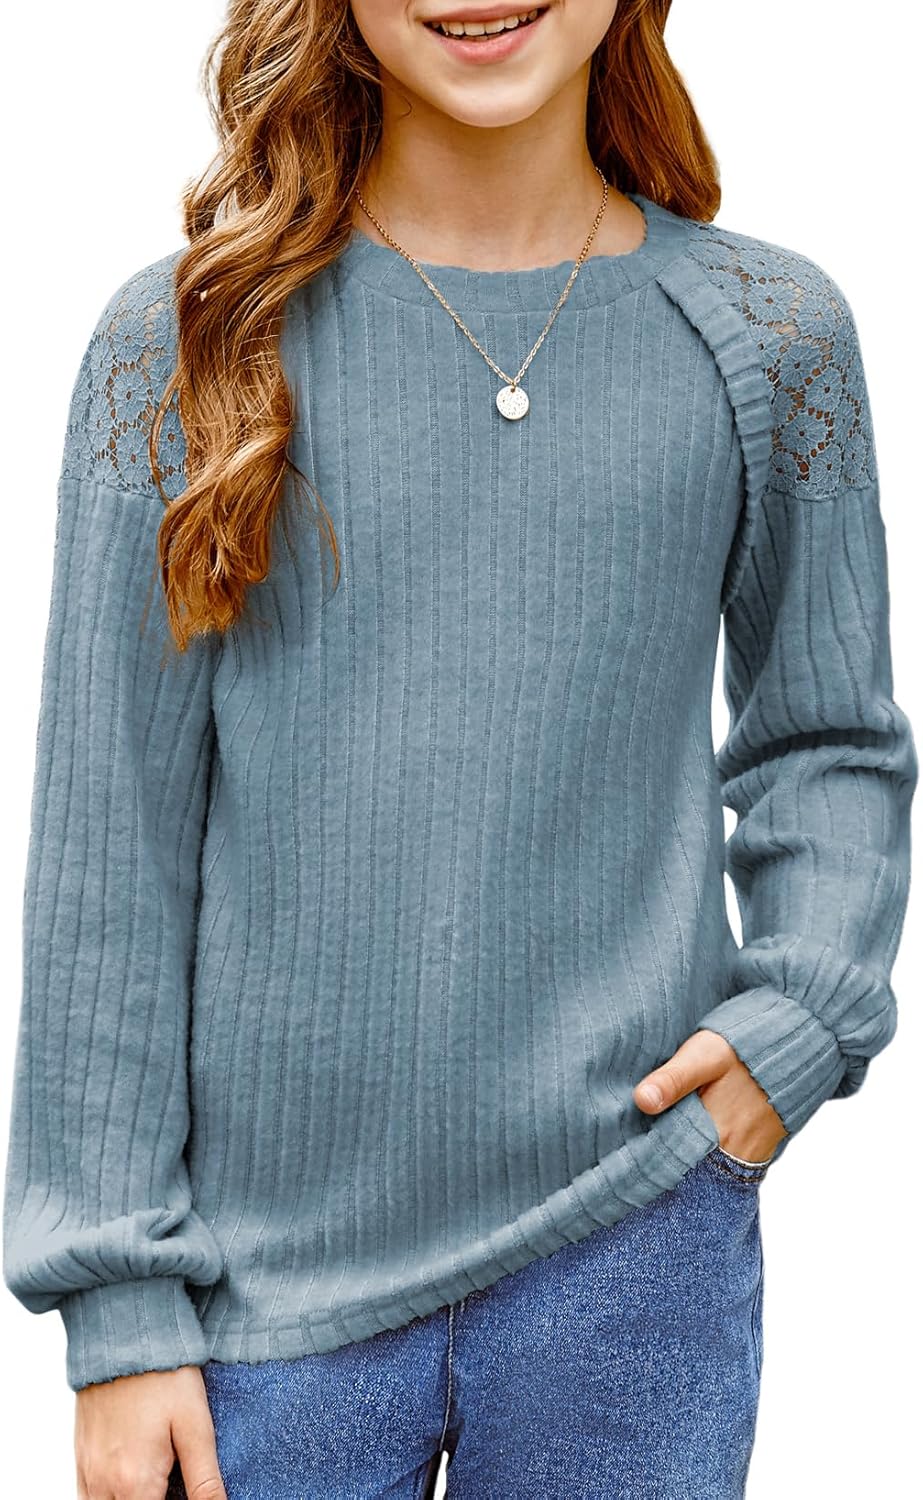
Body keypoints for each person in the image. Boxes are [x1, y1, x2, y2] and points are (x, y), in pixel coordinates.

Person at [3, 1, 917, 1496]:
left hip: (635, 1241)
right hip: (253, 1304)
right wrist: (114, 1301)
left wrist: (800, 1020)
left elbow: (828, 736)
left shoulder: (772, 337)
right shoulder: (183, 347)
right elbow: (112, 852)